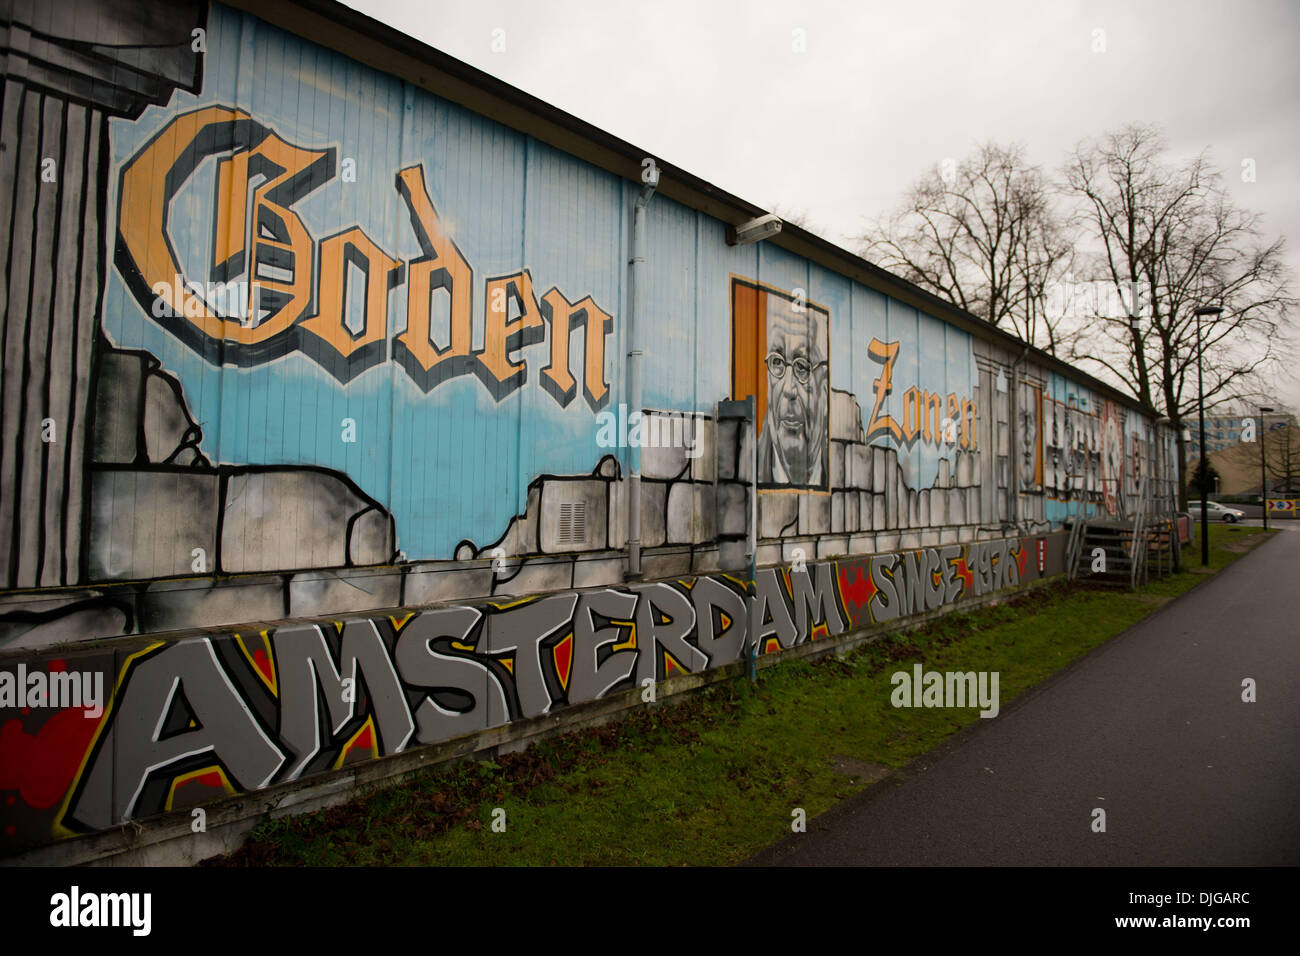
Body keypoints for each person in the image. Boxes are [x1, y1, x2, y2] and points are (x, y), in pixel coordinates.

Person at [756, 295, 828, 487]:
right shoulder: (745, 469)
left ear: (825, 383)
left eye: (802, 367)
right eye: (777, 362)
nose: (789, 389)